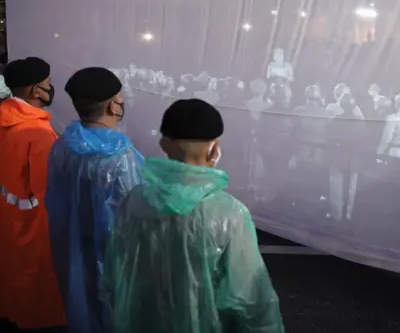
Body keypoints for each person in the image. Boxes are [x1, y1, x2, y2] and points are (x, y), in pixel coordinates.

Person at [103, 99, 285, 333]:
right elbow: (252, 300)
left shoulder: (134, 202)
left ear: (163, 144)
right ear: (215, 148)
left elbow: (113, 275)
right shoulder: (230, 214)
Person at [46, 67, 144, 333]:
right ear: (114, 105)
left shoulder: (62, 146)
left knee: (83, 304)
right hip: (112, 254)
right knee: (114, 311)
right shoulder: (120, 156)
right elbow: (133, 214)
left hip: (73, 246)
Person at [0, 57, 66, 332]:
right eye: (47, 83)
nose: (51, 88)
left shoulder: (6, 117)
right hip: (36, 224)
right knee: (37, 282)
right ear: (33, 90)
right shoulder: (37, 132)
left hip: (8, 217)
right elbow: (48, 190)